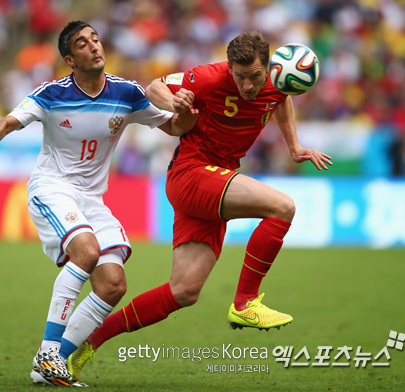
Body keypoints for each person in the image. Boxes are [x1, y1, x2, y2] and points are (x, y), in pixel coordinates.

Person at [66, 31, 333, 382]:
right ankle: (246, 303)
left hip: (216, 180)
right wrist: (172, 102)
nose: (248, 86)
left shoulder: (274, 81)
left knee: (184, 292)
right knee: (282, 207)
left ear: (267, 68)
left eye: (255, 76)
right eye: (240, 77)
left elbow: (279, 99)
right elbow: (155, 86)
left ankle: (84, 345)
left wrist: (294, 146)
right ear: (229, 68)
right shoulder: (209, 77)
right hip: (191, 173)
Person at [0, 21, 196, 387]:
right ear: (69, 59)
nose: (93, 46)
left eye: (95, 39)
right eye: (82, 43)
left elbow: (174, 127)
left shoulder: (128, 93)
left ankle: (52, 362)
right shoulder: (52, 93)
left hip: (91, 199)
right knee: (86, 251)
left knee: (112, 284)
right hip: (52, 188)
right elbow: (8, 120)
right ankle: (47, 352)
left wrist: (186, 110)